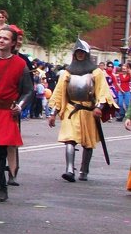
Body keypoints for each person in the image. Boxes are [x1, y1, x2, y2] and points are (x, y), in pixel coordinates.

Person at [48, 39, 118, 181]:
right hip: (71, 109)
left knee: (88, 142)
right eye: (78, 52)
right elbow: (59, 93)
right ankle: (69, 170)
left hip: (88, 110)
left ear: (86, 54)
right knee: (69, 139)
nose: (80, 55)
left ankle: (84, 170)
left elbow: (103, 91)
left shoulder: (96, 72)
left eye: (82, 52)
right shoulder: (67, 72)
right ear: (75, 54)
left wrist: (99, 107)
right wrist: (53, 113)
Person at [0, 26, 33, 203]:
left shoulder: (20, 65)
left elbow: (28, 91)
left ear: (13, 43)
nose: (1, 41)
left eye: (5, 39)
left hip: (6, 113)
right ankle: (1, 189)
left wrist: (20, 105)